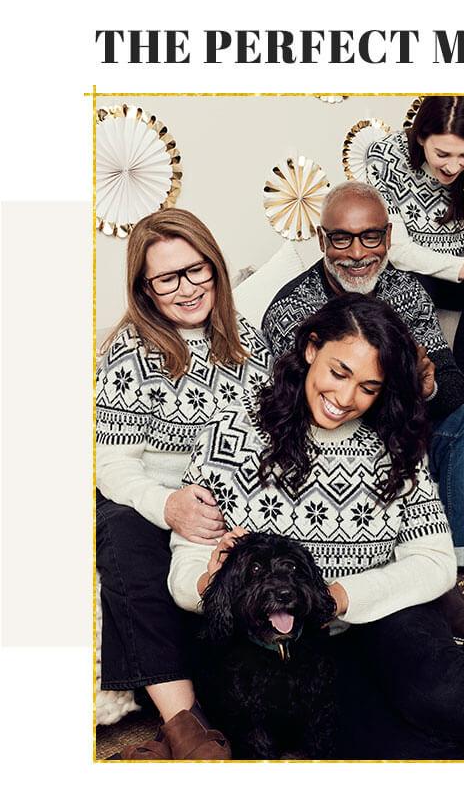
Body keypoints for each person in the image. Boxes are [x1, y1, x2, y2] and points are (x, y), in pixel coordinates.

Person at [169, 294, 464, 760]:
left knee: (443, 698)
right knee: (407, 747)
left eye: (369, 387)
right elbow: (187, 561)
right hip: (284, 642)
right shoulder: (231, 430)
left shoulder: (392, 440)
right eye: (339, 372)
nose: (345, 398)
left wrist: (340, 597)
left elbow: (436, 563)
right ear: (312, 349)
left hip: (381, 609)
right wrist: (208, 585)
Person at [262, 180, 464, 643]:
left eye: (371, 236)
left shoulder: (405, 292)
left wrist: (431, 385)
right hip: (346, 457)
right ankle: (459, 598)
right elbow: (292, 411)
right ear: (321, 240)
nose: (357, 253)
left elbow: (453, 386)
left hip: (413, 434)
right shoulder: (292, 311)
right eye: (342, 238)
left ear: (389, 237)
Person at [95, 208, 272, 759]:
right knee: (122, 532)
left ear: (214, 266)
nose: (187, 287)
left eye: (197, 270)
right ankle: (185, 725)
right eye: (167, 278)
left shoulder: (252, 343)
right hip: (153, 499)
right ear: (145, 289)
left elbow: (276, 440)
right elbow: (115, 468)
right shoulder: (129, 351)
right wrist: (167, 505)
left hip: (236, 500)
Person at [365, 95, 464, 390]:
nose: (453, 167)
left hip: (461, 279)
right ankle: (410, 391)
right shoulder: (385, 155)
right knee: (413, 289)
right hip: (410, 272)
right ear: (421, 136)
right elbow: (398, 251)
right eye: (442, 154)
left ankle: (454, 394)